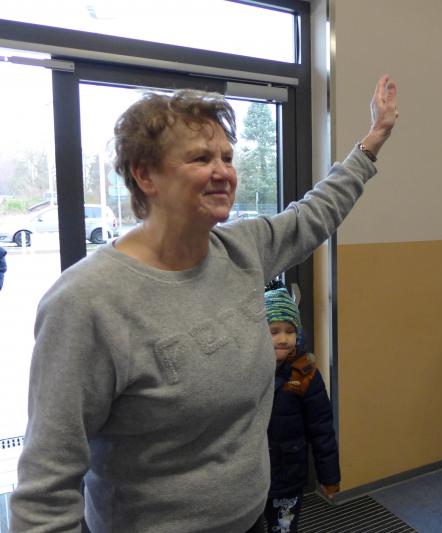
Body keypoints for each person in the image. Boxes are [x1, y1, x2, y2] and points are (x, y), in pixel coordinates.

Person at [11, 75, 398, 532]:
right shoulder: (86, 302)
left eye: (227, 158)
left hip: (250, 520)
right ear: (144, 175)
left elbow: (314, 213)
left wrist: (372, 141)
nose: (224, 172)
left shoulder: (242, 249)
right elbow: (46, 488)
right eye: (201, 158)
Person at [262, 281, 339, 533]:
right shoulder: (247, 372)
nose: (283, 338)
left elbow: (322, 429)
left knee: (283, 528)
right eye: (274, 331)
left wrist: (329, 477)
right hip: (251, 477)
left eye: (289, 331)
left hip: (288, 476)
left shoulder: (305, 374)